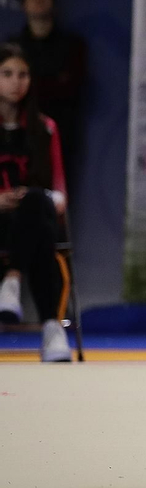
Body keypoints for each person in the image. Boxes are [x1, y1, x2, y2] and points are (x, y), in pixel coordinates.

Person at [0, 43, 72, 362]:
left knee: (37, 205)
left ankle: (12, 281)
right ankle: (52, 327)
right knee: (40, 229)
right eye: (7, 74)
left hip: (32, 218)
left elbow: (59, 193)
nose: (17, 81)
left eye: (23, 74)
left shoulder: (45, 127)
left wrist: (34, 198)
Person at [9, 0, 87, 205]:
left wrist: (35, 85)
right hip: (18, 135)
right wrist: (53, 81)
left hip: (61, 134)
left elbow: (71, 87)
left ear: (54, 2)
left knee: (56, 201)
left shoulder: (72, 44)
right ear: (23, 4)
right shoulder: (13, 46)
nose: (39, 1)